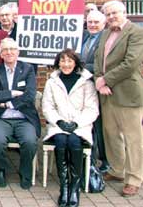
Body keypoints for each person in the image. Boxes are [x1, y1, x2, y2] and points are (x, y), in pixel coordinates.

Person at [94, 0, 143, 197]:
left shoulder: (136, 32)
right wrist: (99, 79)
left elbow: (130, 63)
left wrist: (105, 80)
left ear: (124, 12)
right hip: (106, 93)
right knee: (111, 134)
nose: (112, 16)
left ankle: (134, 178)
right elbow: (98, 58)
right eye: (108, 14)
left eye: (115, 13)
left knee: (133, 138)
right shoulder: (106, 33)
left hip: (127, 93)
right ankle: (117, 170)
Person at [43, 49, 99, 207]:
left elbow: (92, 109)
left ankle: (74, 187)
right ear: (58, 63)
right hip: (58, 125)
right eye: (62, 61)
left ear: (75, 63)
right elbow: (47, 107)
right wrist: (59, 121)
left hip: (80, 126)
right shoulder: (52, 81)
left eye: (69, 61)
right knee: (61, 140)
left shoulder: (86, 81)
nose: (66, 64)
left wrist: (76, 124)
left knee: (74, 141)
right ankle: (64, 188)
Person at [0, 38, 40, 189]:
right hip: (2, 119)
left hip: (24, 118)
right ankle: (2, 169)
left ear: (18, 52)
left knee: (30, 142)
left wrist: (7, 102)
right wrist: (13, 92)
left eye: (12, 49)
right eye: (5, 50)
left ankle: (25, 172)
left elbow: (29, 95)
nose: (9, 52)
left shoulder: (28, 69)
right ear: (1, 54)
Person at [80, 10, 109, 172]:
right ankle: (88, 158)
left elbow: (104, 64)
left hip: (98, 87)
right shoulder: (83, 37)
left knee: (100, 126)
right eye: (90, 22)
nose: (92, 25)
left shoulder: (106, 40)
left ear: (103, 24)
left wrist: (80, 68)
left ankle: (104, 160)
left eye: (96, 22)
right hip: (83, 88)